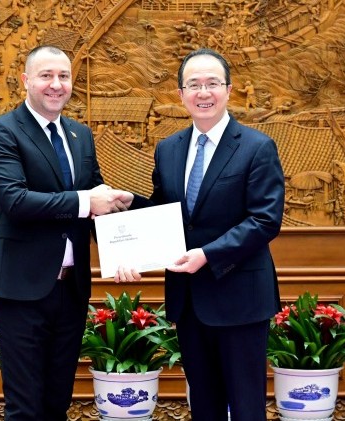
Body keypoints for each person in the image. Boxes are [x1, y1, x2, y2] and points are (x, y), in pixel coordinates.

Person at [119, 48, 285, 421]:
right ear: (181, 94)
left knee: (246, 408)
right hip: (190, 301)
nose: (203, 92)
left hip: (240, 298)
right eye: (194, 85)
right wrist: (130, 204)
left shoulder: (257, 147)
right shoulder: (168, 149)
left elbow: (265, 219)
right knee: (204, 407)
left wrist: (208, 254)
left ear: (229, 90)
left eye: (213, 83)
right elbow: (166, 215)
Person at [0, 45, 133, 421]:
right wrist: (86, 201)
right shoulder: (2, 131)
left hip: (71, 290)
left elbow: (96, 203)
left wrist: (124, 244)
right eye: (46, 75)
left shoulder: (81, 135)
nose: (56, 84)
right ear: (25, 80)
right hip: (21, 289)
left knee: (56, 404)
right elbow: (15, 201)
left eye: (63, 76)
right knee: (25, 408)